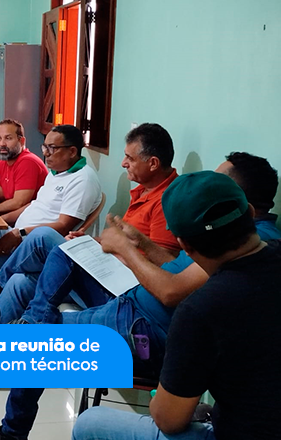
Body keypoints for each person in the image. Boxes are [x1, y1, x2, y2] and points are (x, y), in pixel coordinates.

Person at [0, 152, 281, 440]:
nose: (207, 186)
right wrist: (140, 242)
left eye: (215, 184)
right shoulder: (236, 237)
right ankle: (30, 322)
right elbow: (178, 268)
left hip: (141, 326)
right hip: (132, 300)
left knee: (38, 343)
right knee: (59, 256)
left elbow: (171, 292)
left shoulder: (228, 255)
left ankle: (11, 428)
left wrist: (124, 249)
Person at [73, 171, 281, 440]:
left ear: (183, 245)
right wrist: (141, 243)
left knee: (89, 422)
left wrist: (162, 397)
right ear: (250, 213)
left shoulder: (201, 310)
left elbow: (168, 420)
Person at [0, 124, 100, 302]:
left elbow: (63, 226)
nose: (46, 153)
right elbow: (33, 205)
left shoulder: (82, 180)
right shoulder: (56, 172)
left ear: (72, 151)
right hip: (16, 230)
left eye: (52, 148)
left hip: (32, 244)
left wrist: (19, 233)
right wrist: (0, 220)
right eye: (45, 147)